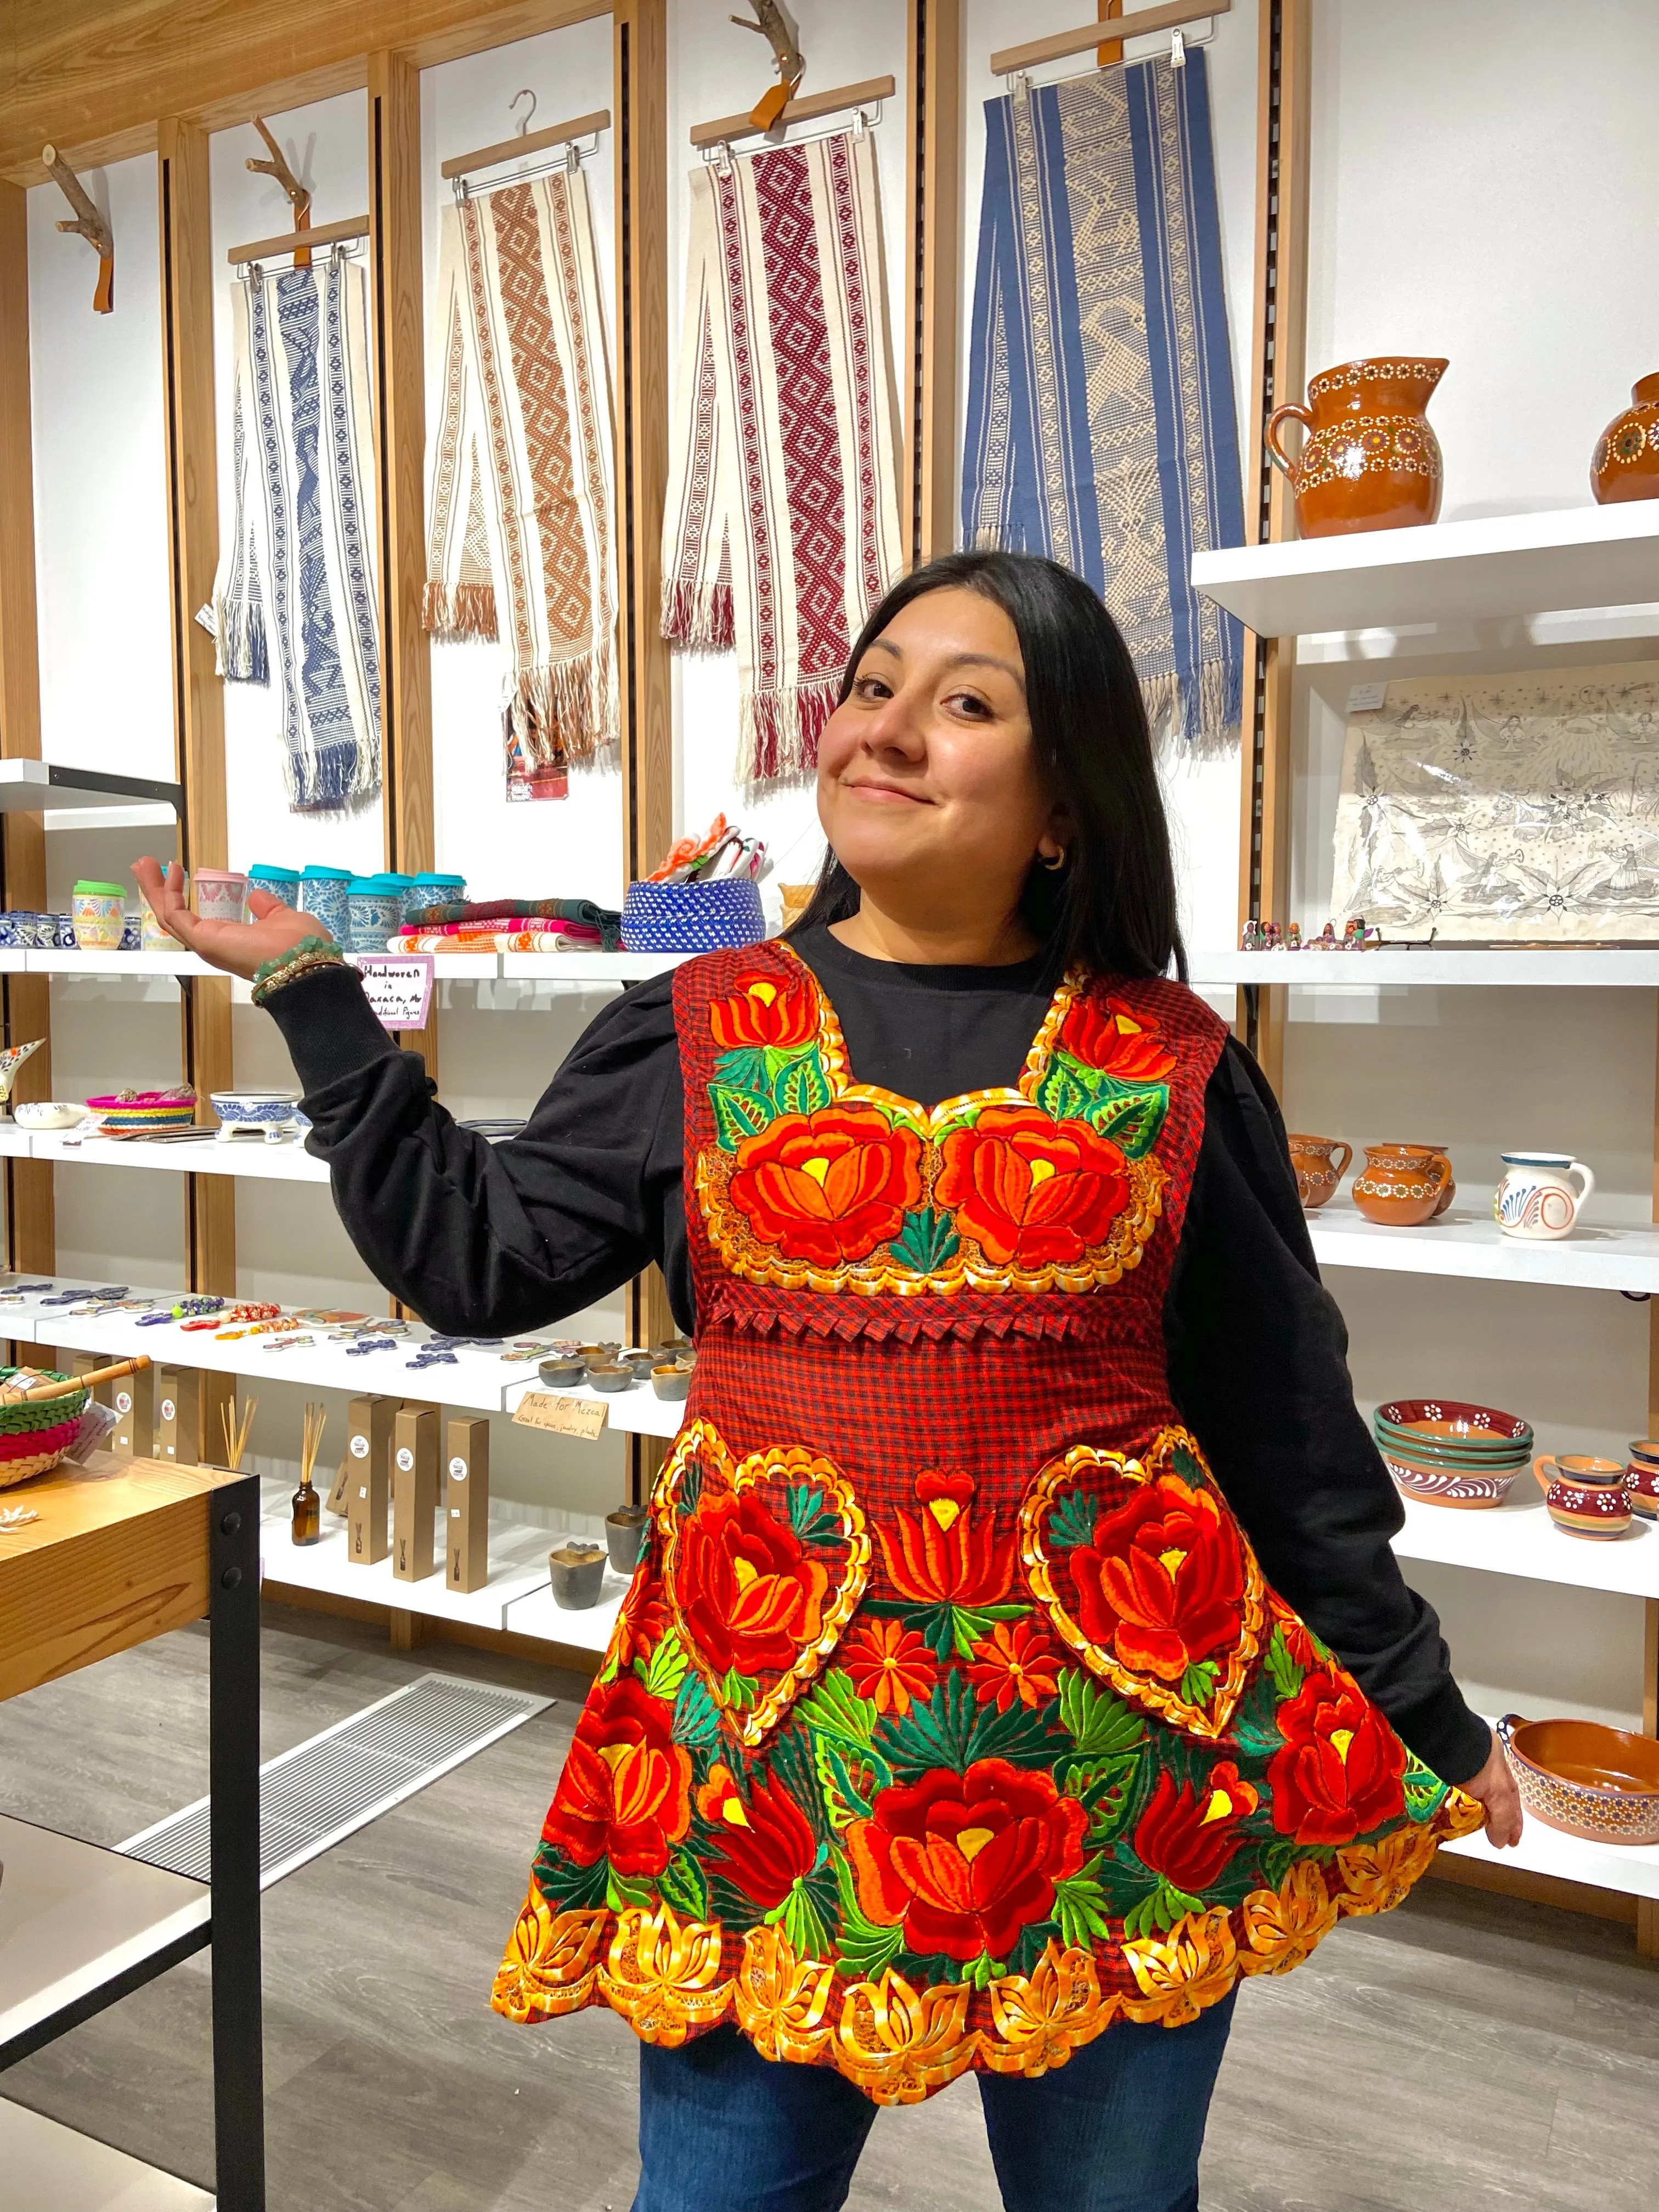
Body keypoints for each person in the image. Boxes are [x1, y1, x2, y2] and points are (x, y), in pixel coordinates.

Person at [136, 549, 1521, 2212]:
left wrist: (1423, 1705)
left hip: (1117, 1777)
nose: (891, 731)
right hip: (763, 1767)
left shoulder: (1169, 1061)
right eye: (872, 689)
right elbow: (474, 1263)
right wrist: (312, 993)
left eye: (967, 703)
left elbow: (1287, 1430)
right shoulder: (699, 1029)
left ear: (1064, 799)